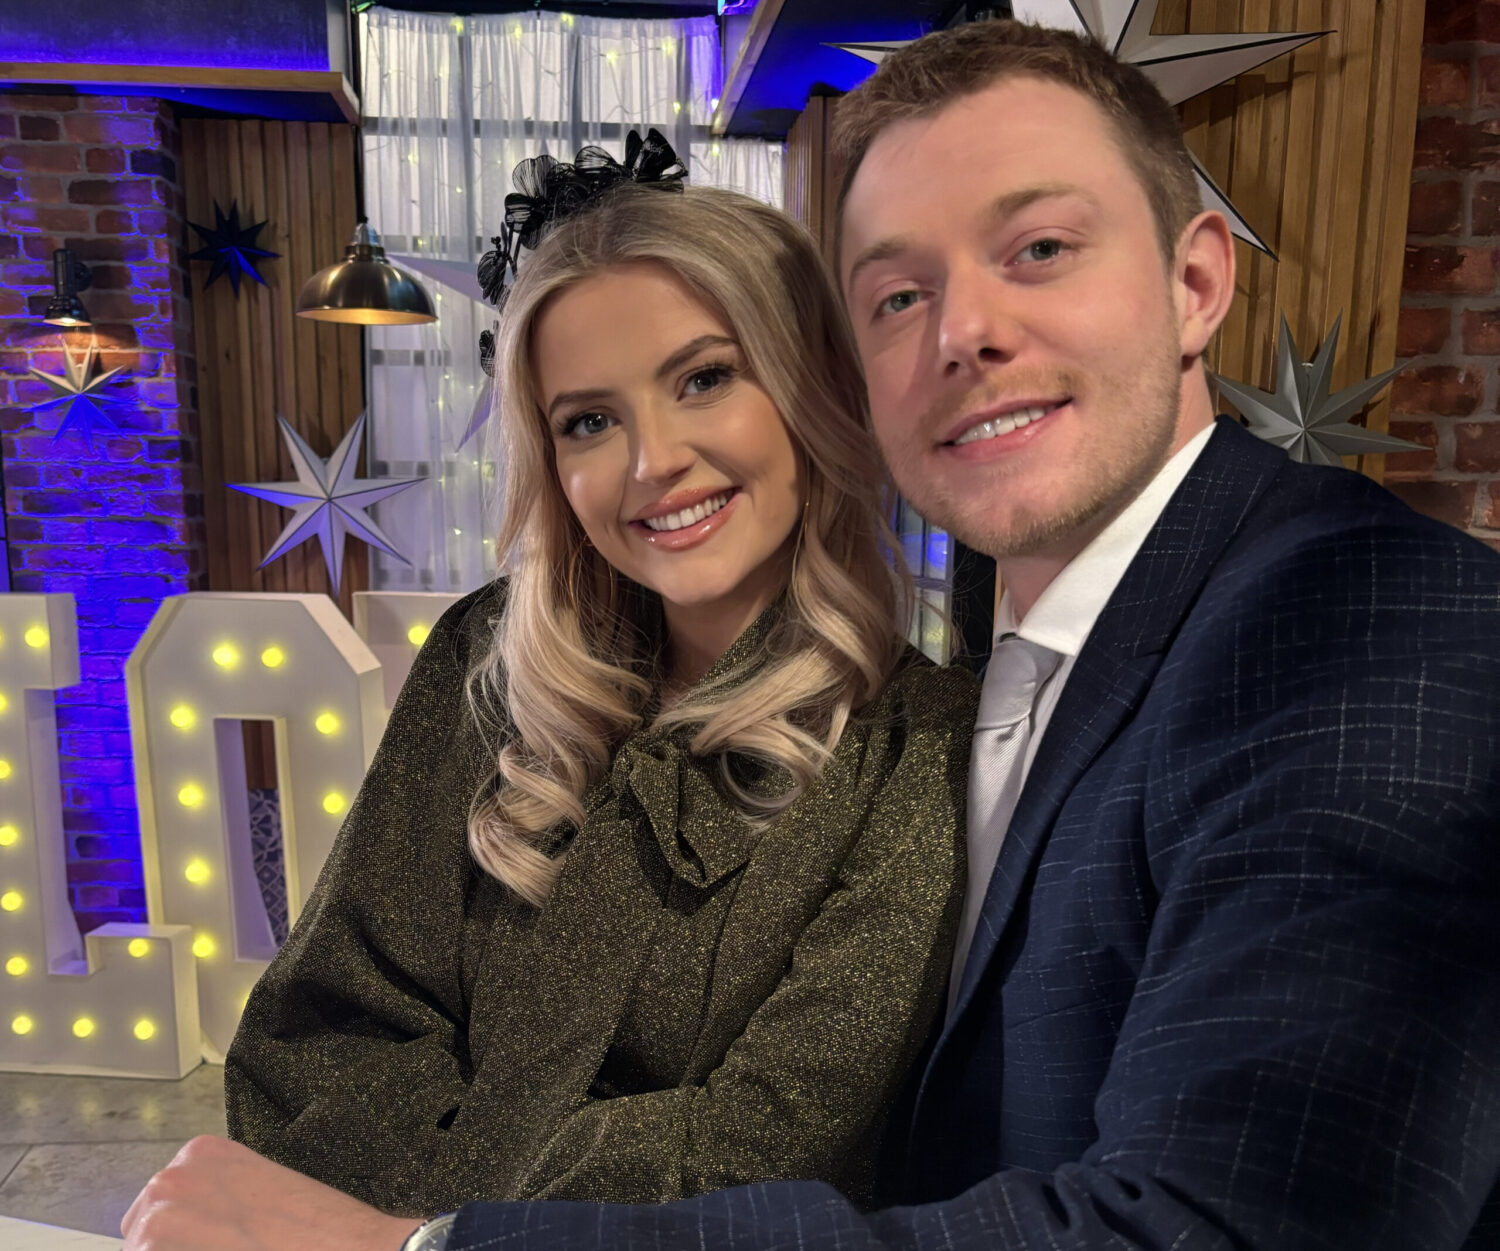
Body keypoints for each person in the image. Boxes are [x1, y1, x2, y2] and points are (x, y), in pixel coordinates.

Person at [122, 19, 1500, 1251]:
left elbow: (1191, 1209)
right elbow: (309, 1043)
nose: (965, 331)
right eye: (901, 293)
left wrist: (414, 1230)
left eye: (1040, 249)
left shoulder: (1361, 619)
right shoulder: (508, 657)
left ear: (1200, 282)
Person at [134, 156, 976, 1240]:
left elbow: (772, 1158)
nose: (652, 464)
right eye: (588, 422)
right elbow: (318, 1030)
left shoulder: (922, 750)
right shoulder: (486, 655)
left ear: (807, 386)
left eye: (705, 378)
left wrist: (423, 1216)